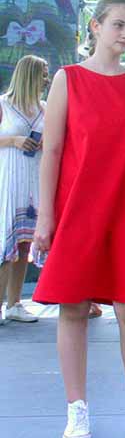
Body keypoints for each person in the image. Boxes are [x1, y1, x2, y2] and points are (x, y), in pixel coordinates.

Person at [31, 0, 125, 438]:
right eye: (119, 25)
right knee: (73, 307)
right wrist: (46, 217)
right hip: (77, 208)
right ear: (95, 26)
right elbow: (52, 150)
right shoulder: (68, 79)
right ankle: (76, 411)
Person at [0, 55, 47, 324]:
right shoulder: (3, 105)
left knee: (24, 242)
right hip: (9, 178)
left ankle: (15, 303)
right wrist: (13, 140)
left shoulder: (44, 108)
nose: (46, 79)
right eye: (43, 74)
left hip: (34, 178)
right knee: (5, 242)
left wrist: (44, 143)